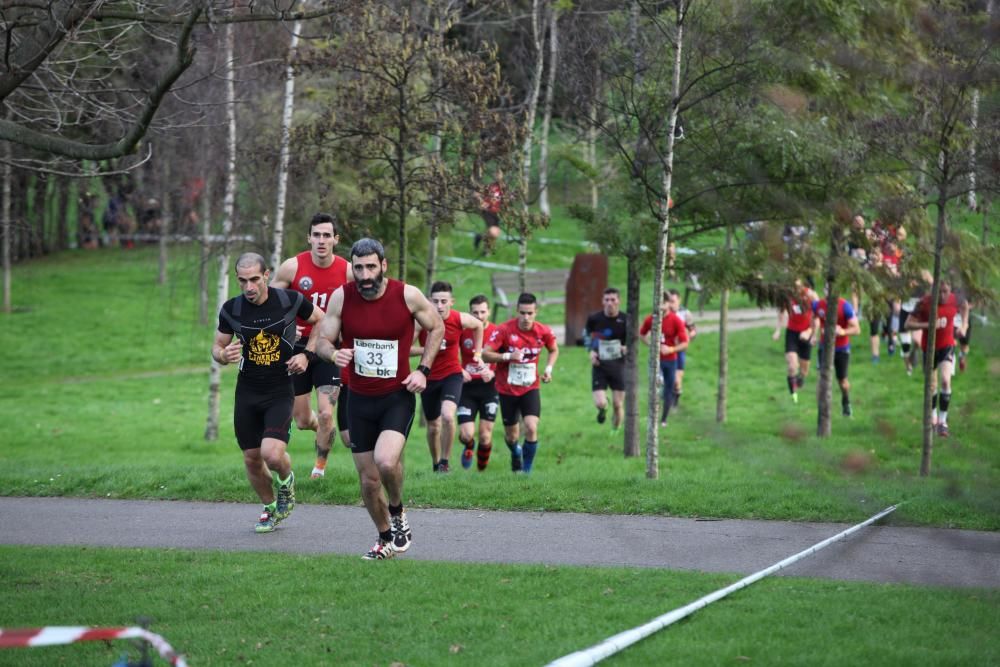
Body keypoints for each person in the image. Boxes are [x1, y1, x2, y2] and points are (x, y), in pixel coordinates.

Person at [316, 238, 444, 560]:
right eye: (358, 268)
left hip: (395, 396)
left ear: (383, 265)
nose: (365, 274)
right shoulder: (341, 297)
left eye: (371, 266)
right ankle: (385, 536)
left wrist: (423, 370)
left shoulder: (407, 294)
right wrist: (334, 354)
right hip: (358, 399)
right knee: (369, 481)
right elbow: (322, 342)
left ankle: (398, 511)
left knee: (387, 462)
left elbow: (437, 327)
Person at [212, 252, 323, 533]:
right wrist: (223, 355)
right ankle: (270, 508)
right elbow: (217, 347)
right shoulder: (232, 309)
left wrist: (307, 355)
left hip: (280, 387)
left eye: (254, 279)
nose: (249, 287)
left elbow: (321, 321)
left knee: (272, 455)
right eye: (242, 281)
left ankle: (286, 481)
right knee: (251, 458)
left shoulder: (289, 300)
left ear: (266, 275)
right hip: (247, 390)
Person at [271, 213, 354, 480]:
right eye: (316, 235)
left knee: (328, 414)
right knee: (304, 420)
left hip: (328, 349)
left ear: (335, 239)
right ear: (309, 237)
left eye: (326, 235)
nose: (321, 240)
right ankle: (320, 428)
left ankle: (319, 468)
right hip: (296, 350)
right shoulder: (292, 268)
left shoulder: (348, 271)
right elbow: (270, 303)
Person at [411, 281, 484, 473]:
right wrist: (427, 348)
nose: (440, 305)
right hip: (427, 377)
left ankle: (445, 462)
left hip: (452, 374)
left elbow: (478, 326)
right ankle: (435, 463)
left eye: (444, 301)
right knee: (433, 426)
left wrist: (477, 353)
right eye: (435, 301)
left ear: (452, 301)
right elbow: (406, 349)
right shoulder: (421, 322)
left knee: (448, 416)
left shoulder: (459, 319)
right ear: (429, 301)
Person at [482, 293, 559, 473]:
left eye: (530, 313)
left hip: (530, 387)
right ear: (517, 311)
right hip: (507, 389)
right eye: (522, 313)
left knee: (531, 428)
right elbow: (485, 354)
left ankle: (526, 470)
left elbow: (554, 350)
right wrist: (508, 356)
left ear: (536, 312)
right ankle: (516, 452)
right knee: (512, 436)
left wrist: (548, 370)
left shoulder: (543, 331)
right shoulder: (504, 330)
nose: (526, 318)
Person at [906, 278, 969, 437]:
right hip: (929, 347)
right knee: (932, 385)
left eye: (945, 292)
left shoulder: (955, 299)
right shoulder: (924, 303)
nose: (942, 296)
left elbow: (965, 306)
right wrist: (929, 324)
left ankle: (943, 422)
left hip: (947, 345)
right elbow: (908, 324)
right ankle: (933, 416)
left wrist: (964, 325)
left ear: (950, 290)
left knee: (945, 380)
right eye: (938, 292)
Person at [457, 295, 500, 470]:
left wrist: (492, 371)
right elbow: (450, 353)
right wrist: (460, 370)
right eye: (475, 312)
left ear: (489, 311)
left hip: (490, 387)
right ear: (470, 312)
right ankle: (468, 446)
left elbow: (505, 360)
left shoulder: (497, 332)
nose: (480, 316)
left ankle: (481, 472)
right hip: (466, 387)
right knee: (466, 434)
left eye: (483, 311)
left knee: (485, 435)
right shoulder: (463, 331)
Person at [639, 292, 689, 427]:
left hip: (671, 360)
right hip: (655, 359)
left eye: (663, 302)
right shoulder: (651, 319)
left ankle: (664, 419)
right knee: (655, 384)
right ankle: (653, 415)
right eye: (657, 302)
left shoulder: (676, 320)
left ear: (668, 304)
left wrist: (671, 349)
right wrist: (650, 344)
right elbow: (641, 334)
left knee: (669, 388)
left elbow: (685, 342)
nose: (660, 306)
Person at [584, 287, 628, 431]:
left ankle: (614, 430)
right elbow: (586, 335)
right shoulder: (594, 319)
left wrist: (626, 348)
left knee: (618, 404)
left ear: (618, 301)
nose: (610, 303)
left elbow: (633, 342)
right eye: (607, 300)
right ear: (603, 301)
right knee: (601, 403)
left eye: (613, 300)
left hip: (619, 366)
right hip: (600, 365)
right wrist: (590, 351)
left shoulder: (626, 319)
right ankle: (602, 410)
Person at [812, 294, 861, 417]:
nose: (827, 295)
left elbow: (857, 329)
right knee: (821, 378)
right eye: (826, 290)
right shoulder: (818, 305)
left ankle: (846, 400)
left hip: (841, 348)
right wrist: (814, 334)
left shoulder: (845, 306)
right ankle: (821, 412)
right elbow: (814, 317)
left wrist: (843, 331)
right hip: (824, 347)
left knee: (842, 381)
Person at [771, 279, 817, 404]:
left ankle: (801, 378)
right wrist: (778, 330)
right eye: (792, 287)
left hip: (806, 332)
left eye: (797, 287)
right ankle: (794, 397)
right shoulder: (787, 296)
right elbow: (781, 312)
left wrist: (811, 333)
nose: (794, 290)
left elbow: (817, 317)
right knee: (792, 365)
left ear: (803, 286)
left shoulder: (811, 296)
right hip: (792, 332)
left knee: (804, 370)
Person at [669, 289, 696, 408]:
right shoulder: (664, 313)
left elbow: (693, 331)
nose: (670, 304)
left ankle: (676, 396)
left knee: (676, 380)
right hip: (665, 349)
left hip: (679, 349)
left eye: (673, 301)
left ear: (679, 300)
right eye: (668, 301)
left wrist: (687, 337)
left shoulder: (685, 313)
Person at [474, 169, 505, 251]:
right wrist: (481, 202)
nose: (497, 175)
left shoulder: (504, 187)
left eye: (499, 174)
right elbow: (477, 194)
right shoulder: (491, 186)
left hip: (498, 213)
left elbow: (508, 199)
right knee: (493, 232)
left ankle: (481, 240)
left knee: (495, 234)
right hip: (488, 212)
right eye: (496, 173)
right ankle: (486, 248)